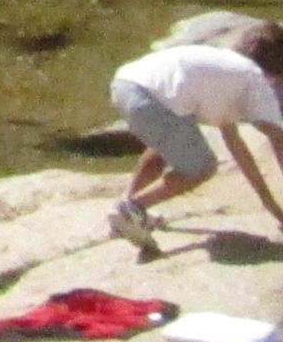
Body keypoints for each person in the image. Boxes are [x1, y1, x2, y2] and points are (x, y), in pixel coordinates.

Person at [107, 25, 283, 251]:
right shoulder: (255, 79)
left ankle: (124, 208)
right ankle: (132, 208)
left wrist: (271, 207)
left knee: (165, 147)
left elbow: (236, 146)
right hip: (150, 99)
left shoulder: (227, 71)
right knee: (202, 166)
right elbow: (278, 140)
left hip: (125, 84)